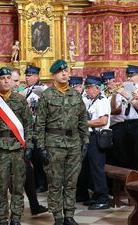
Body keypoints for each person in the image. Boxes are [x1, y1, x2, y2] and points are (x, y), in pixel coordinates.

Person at [35, 59, 89, 225]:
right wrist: (41, 147)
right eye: (61, 72)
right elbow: (40, 123)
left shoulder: (75, 95)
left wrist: (85, 141)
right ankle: (58, 216)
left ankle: (69, 215)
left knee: (72, 182)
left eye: (67, 71)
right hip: (53, 144)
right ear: (54, 74)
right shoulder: (46, 96)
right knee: (55, 182)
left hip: (73, 143)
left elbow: (82, 120)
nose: (65, 74)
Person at [0, 67, 33, 225]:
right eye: (3, 78)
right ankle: (2, 219)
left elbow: (29, 125)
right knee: (0, 188)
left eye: (9, 77)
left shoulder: (20, 101)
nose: (7, 81)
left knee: (17, 187)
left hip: (17, 150)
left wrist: (28, 146)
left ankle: (15, 218)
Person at [10, 68, 48, 216]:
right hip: (12, 141)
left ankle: (34, 204)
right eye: (15, 80)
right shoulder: (12, 96)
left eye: (17, 80)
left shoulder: (40, 91)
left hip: (27, 136)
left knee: (30, 169)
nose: (18, 83)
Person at [83, 75, 111, 210]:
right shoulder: (93, 101)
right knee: (90, 168)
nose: (86, 90)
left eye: (88, 88)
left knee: (97, 168)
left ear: (97, 88)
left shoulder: (102, 101)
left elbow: (103, 121)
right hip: (90, 136)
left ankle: (103, 198)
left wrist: (84, 123)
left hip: (97, 137)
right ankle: (96, 194)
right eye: (86, 88)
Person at [23, 65, 48, 193]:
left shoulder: (43, 90)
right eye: (26, 75)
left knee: (39, 158)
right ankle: (35, 182)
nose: (27, 78)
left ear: (37, 76)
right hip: (29, 128)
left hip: (39, 128)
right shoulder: (27, 90)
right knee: (31, 157)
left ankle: (43, 183)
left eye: (29, 75)